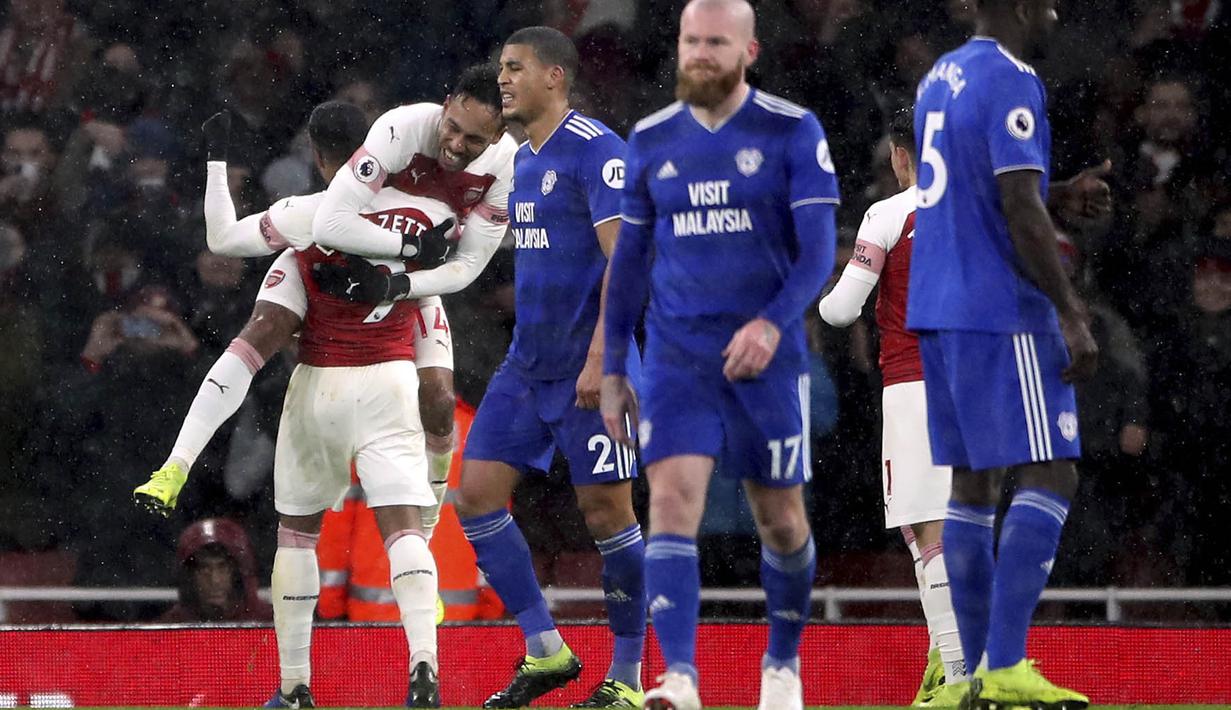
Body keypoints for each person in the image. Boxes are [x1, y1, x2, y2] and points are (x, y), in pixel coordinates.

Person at [600, 2, 839, 709]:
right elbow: (630, 265)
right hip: (679, 357)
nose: (699, 54)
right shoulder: (648, 139)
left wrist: (770, 324)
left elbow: (818, 251)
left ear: (749, 51)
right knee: (671, 503)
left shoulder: (792, 130)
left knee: (781, 519)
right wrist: (614, 366)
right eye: (689, 41)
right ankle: (678, 677)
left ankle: (781, 665)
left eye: (714, 43)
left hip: (767, 360)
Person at [909, 1, 1100, 707]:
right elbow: (1015, 206)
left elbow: (974, 188)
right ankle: (1006, 663)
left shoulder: (940, 75)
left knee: (972, 485)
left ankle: (967, 678)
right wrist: (1068, 309)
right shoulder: (1011, 76)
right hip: (998, 309)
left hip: (937, 305)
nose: (1055, 11)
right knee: (1051, 468)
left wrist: (1058, 191)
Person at [455, 26, 645, 709]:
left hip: (590, 366)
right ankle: (546, 650)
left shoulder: (597, 151)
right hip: (525, 367)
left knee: (606, 514)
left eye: (515, 68)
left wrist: (604, 356)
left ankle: (627, 676)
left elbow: (625, 262)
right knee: (473, 496)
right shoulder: (525, 160)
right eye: (500, 67)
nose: (502, 79)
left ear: (554, 76)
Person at [818, 108, 968, 706]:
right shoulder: (982, 212)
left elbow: (841, 310)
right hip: (976, 385)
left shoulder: (888, 213)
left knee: (927, 528)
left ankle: (961, 673)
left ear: (900, 157)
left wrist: (815, 291)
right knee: (931, 526)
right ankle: (944, 658)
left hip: (914, 384)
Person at [159, 518, 273, 622]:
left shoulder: (270, 623)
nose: (215, 580)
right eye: (204, 569)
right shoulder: (169, 630)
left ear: (237, 573)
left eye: (223, 568)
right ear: (190, 576)